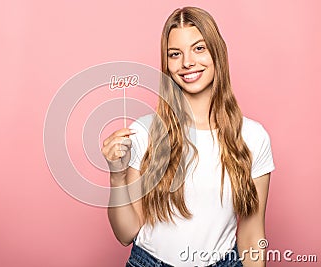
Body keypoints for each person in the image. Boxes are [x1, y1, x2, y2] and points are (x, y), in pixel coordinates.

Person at [101, 6, 274, 267]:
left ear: (217, 53)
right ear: (167, 64)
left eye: (199, 48)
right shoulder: (144, 132)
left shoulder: (252, 137)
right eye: (175, 54)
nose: (187, 63)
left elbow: (252, 236)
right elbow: (126, 234)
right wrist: (117, 175)